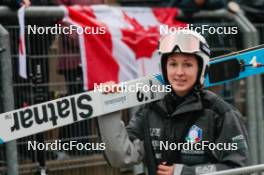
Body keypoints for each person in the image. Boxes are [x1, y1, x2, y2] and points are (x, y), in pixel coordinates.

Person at [97, 29, 249, 175]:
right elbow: (122, 156)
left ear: (201, 68)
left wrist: (186, 172)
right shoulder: (151, 110)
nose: (179, 72)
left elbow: (237, 168)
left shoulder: (220, 113)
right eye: (173, 64)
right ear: (164, 67)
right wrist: (109, 106)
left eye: (188, 64)